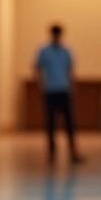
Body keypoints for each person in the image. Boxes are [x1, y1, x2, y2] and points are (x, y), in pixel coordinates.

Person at [34, 25, 84, 164]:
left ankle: (73, 152)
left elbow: (70, 69)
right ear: (51, 35)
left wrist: (72, 86)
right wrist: (41, 84)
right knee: (50, 123)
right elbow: (38, 68)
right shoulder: (44, 51)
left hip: (64, 90)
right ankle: (51, 153)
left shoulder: (66, 51)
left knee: (70, 122)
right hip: (50, 90)